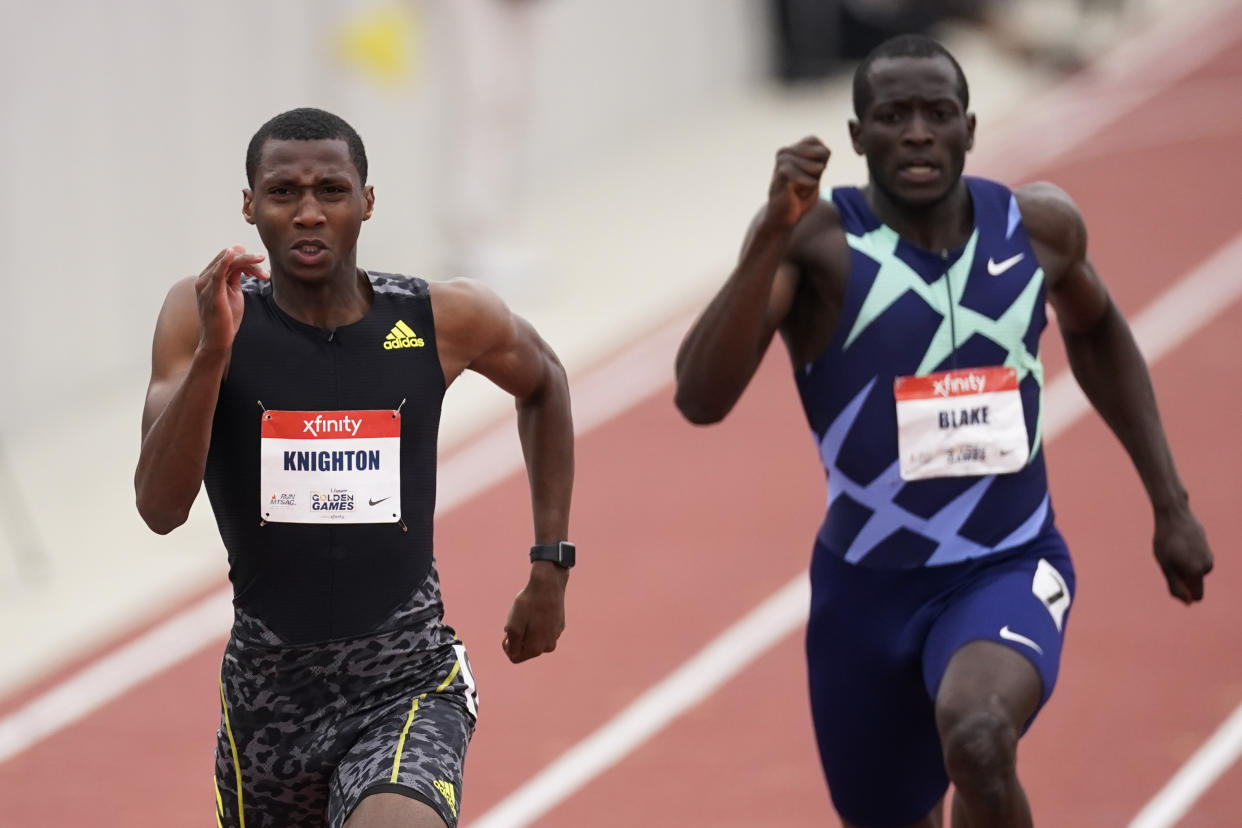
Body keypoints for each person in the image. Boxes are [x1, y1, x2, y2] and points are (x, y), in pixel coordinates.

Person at [674, 34, 1212, 828]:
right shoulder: (821, 246)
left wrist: (1170, 501)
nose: (918, 132)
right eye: (893, 116)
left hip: (1007, 562)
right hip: (865, 592)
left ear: (970, 127)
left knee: (981, 735)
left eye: (937, 113)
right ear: (858, 139)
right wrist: (766, 236)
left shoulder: (1036, 229)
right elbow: (699, 397)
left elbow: (1099, 335)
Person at [134, 107, 576, 828]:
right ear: (250, 205)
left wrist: (550, 564)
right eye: (283, 193)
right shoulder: (200, 317)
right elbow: (159, 509)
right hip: (269, 701)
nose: (309, 213)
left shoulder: (441, 318)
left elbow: (545, 380)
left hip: (404, 681)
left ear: (367, 201)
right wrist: (216, 356)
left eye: (332, 191)